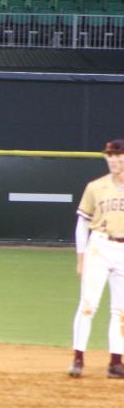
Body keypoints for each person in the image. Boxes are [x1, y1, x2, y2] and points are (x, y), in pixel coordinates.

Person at [67, 138, 124, 379]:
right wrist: (81, 258)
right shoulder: (95, 187)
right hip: (99, 246)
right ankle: (78, 358)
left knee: (121, 310)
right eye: (109, 156)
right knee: (88, 305)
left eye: (117, 156)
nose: (112, 160)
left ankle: (116, 362)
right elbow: (82, 225)